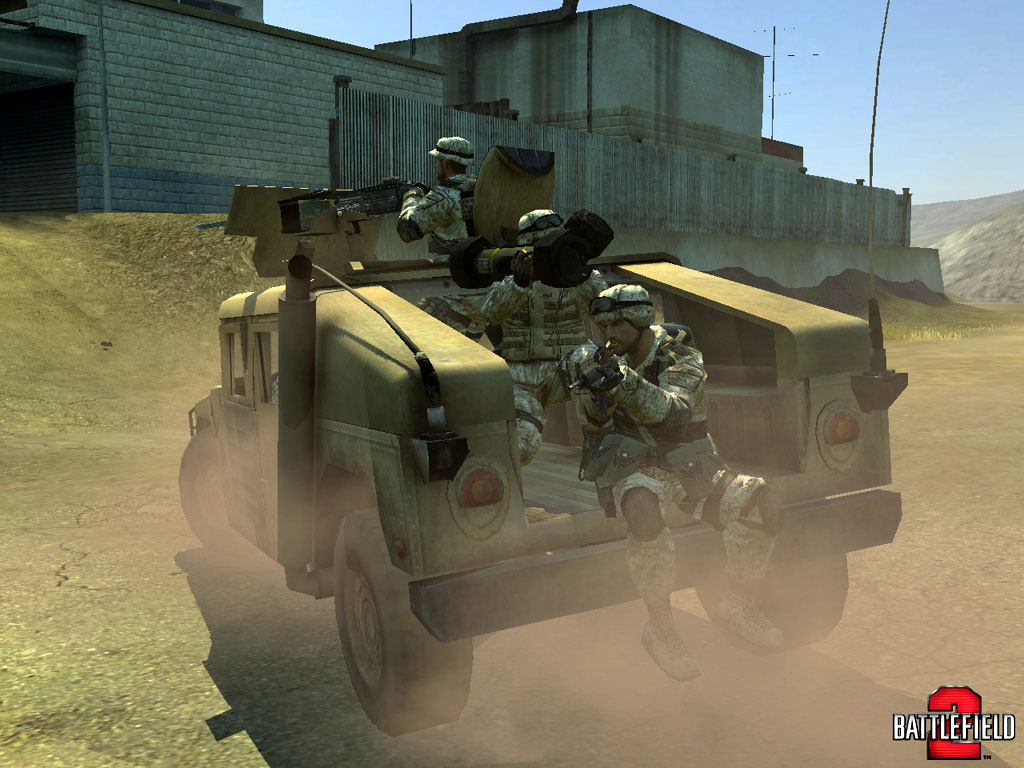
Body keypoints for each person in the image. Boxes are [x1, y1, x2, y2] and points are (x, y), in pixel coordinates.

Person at [559, 283, 785, 681]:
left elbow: (674, 416)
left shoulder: (681, 355)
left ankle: (738, 603)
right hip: (635, 465)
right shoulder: (610, 358)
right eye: (604, 326)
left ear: (640, 321)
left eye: (617, 325)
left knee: (763, 505)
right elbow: (593, 424)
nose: (609, 334)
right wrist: (589, 389)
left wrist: (619, 381)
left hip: (690, 465)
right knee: (641, 511)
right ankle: (660, 629)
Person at [479, 209, 608, 467]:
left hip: (565, 371)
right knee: (520, 447)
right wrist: (518, 283)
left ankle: (597, 438)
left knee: (598, 364)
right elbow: (489, 313)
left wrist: (580, 275)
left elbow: (606, 316)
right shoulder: (509, 278)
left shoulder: (580, 275)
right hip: (519, 379)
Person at [396, 136, 477, 257]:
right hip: (476, 259)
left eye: (438, 160)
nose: (436, 165)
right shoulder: (478, 186)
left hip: (451, 263)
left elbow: (406, 230)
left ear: (446, 163)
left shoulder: (443, 196)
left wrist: (412, 194)